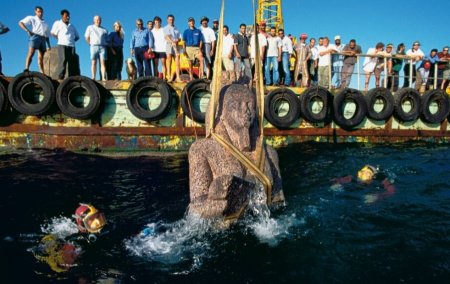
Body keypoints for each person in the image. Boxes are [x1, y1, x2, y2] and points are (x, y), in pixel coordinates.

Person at [31, 203, 107, 273]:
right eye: (91, 220)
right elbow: (68, 267)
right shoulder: (75, 243)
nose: (97, 222)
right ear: (82, 225)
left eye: (98, 217)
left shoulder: (107, 229)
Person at [331, 165, 395, 204]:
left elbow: (391, 191)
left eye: (367, 172)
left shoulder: (378, 182)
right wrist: (336, 184)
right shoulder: (352, 178)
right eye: (362, 171)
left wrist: (377, 197)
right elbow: (336, 180)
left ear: (372, 176)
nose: (362, 173)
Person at [19, 6, 51, 73]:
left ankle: (42, 72)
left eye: (41, 12)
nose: (40, 13)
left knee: (41, 57)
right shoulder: (32, 18)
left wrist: (49, 45)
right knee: (31, 53)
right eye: (39, 11)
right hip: (35, 36)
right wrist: (27, 30)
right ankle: (26, 68)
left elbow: (47, 35)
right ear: (35, 12)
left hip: (43, 38)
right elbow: (20, 23)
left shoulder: (45, 23)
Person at [51, 9, 80, 79]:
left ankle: (72, 78)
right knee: (63, 60)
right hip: (62, 44)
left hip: (71, 46)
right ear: (62, 16)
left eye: (68, 16)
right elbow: (52, 33)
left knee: (71, 62)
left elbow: (77, 36)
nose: (68, 17)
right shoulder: (57, 23)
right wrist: (60, 38)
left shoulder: (72, 26)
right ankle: (60, 77)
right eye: (66, 16)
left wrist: (71, 40)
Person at [84, 15, 108, 81]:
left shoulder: (104, 30)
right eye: (97, 20)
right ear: (94, 20)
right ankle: (93, 77)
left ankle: (103, 77)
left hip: (102, 47)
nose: (98, 21)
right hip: (94, 46)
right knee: (94, 62)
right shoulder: (90, 27)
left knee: (103, 63)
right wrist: (90, 43)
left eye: (99, 19)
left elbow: (107, 39)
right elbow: (86, 37)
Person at [164, 14, 181, 82]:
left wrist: (177, 40)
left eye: (172, 19)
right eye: (170, 19)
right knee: (169, 60)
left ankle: (178, 77)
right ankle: (169, 77)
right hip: (169, 44)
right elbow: (167, 37)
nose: (171, 21)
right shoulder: (166, 28)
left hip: (176, 45)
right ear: (167, 20)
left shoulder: (176, 28)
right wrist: (172, 42)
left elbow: (179, 37)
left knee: (177, 61)